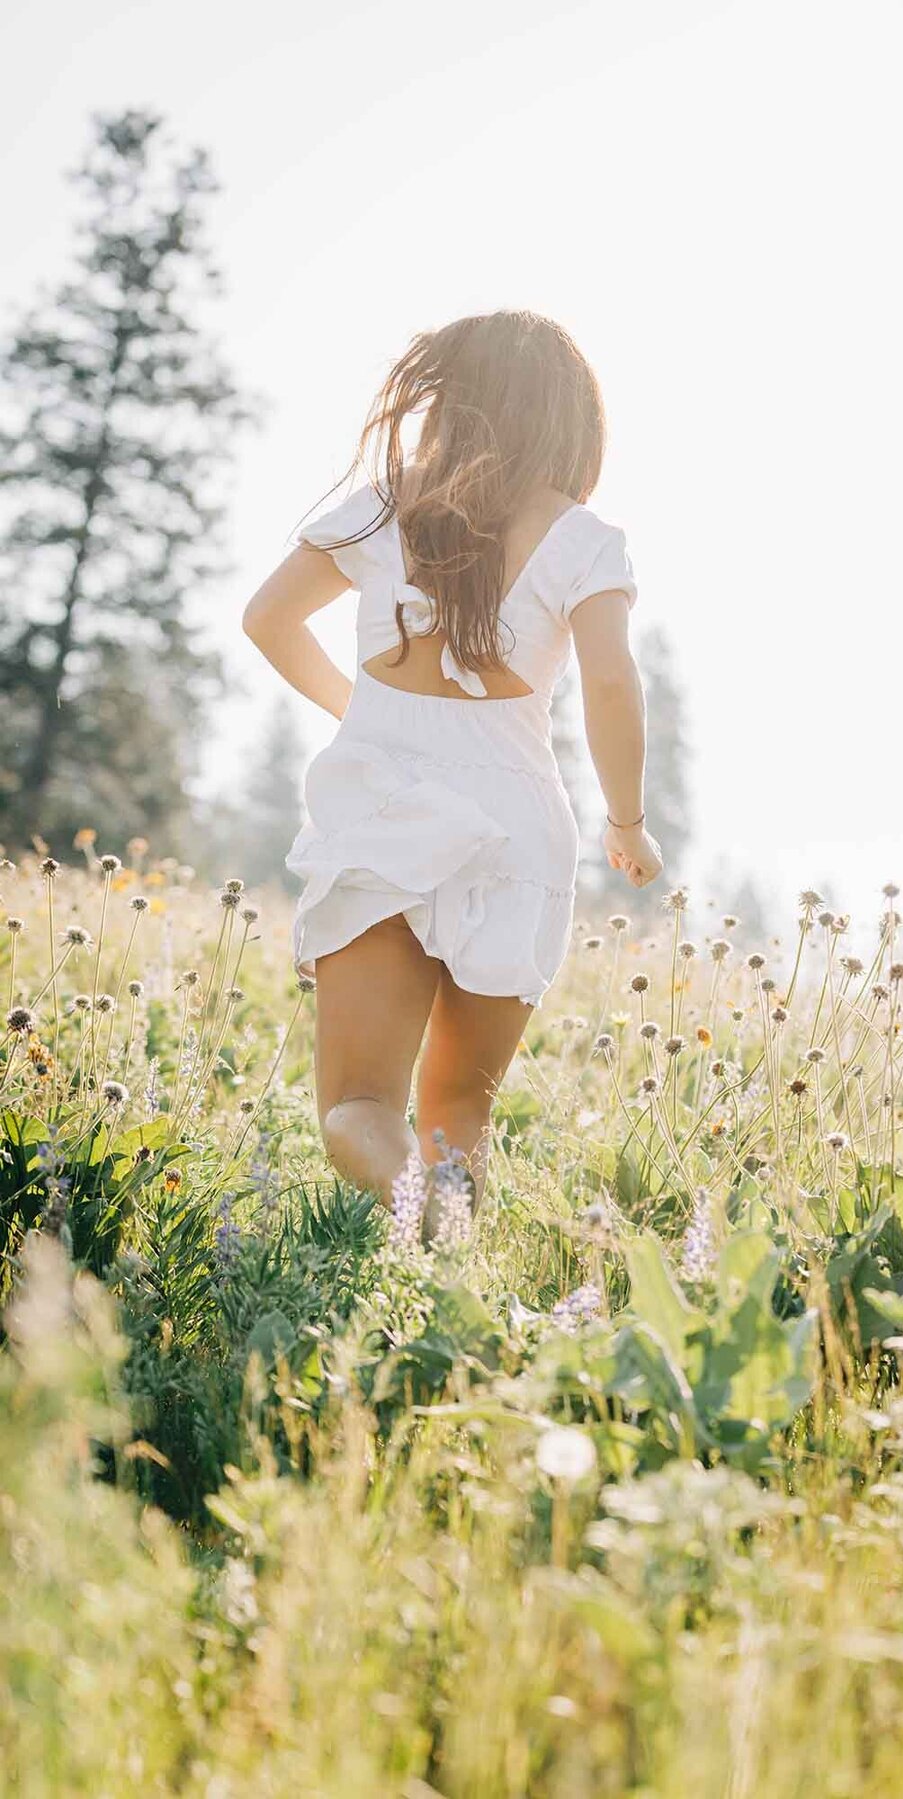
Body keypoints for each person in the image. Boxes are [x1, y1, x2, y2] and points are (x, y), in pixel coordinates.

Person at [243, 310, 662, 1229]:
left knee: (359, 1110)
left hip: (383, 813)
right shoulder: (584, 538)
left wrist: (364, 716)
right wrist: (626, 820)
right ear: (569, 421)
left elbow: (267, 619)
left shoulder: (381, 505)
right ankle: (455, 1290)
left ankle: (430, 1233)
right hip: (518, 825)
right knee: (457, 1117)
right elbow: (610, 680)